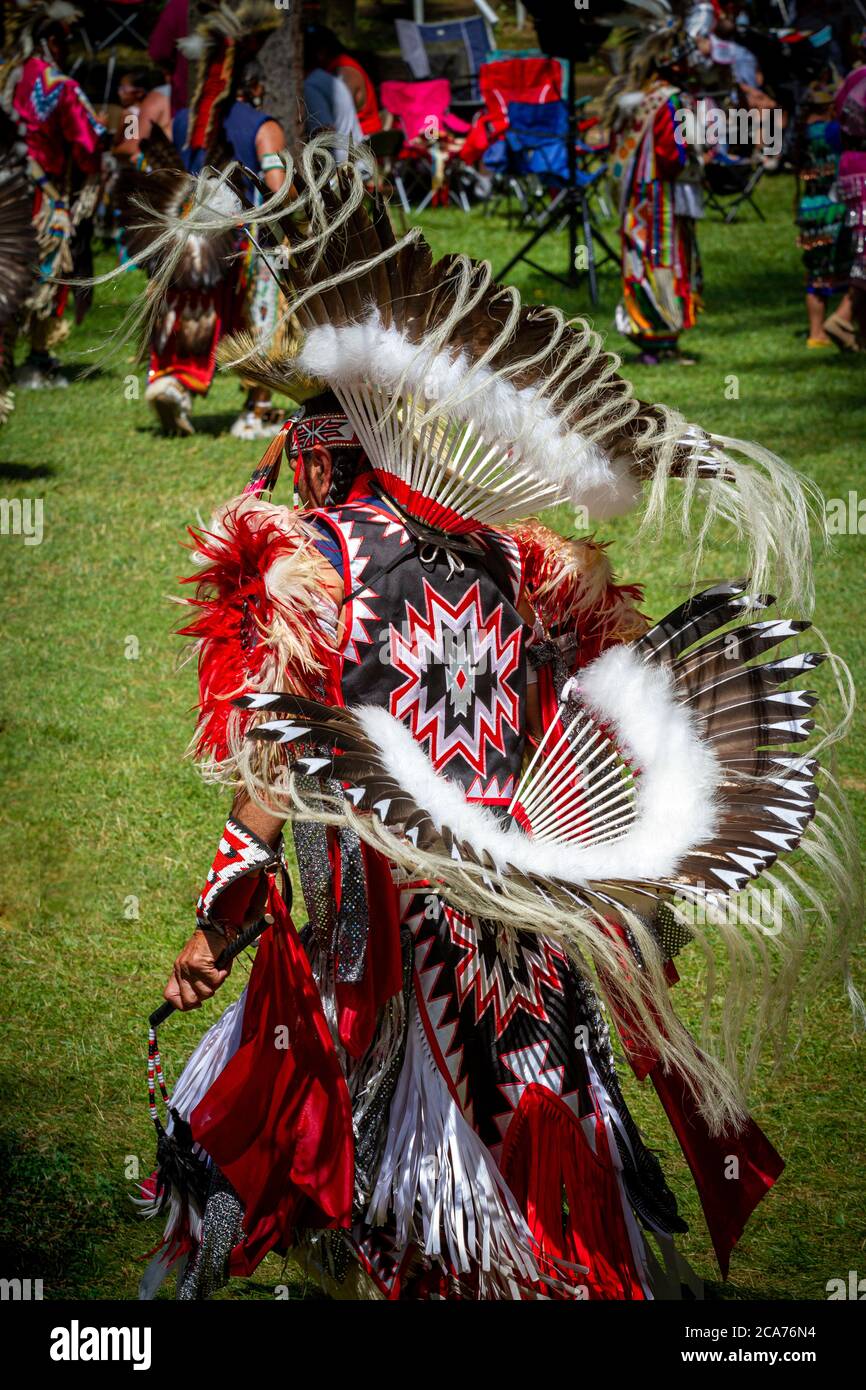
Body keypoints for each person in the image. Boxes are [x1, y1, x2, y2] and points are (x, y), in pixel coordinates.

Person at [130, 141, 859, 1301]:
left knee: (401, 1184)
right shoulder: (520, 556)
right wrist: (640, 904)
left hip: (393, 955)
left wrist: (219, 920)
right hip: (527, 938)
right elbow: (596, 725)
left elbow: (270, 764)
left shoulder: (305, 565)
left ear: (314, 448)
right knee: (543, 1161)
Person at [130, 1, 286, 437]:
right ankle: (256, 410)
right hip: (242, 248)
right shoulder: (262, 126)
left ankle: (173, 383)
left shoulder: (184, 122)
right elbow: (277, 190)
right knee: (261, 317)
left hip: (192, 244)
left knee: (190, 311)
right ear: (252, 85)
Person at [0, 1, 106, 390]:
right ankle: (37, 360)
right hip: (41, 201)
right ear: (49, 39)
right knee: (45, 277)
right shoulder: (59, 87)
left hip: (4, 191)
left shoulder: (6, 77)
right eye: (64, 39)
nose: (67, 48)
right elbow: (90, 143)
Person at [603, 21, 705, 365]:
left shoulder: (638, 98)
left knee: (642, 260)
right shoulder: (671, 100)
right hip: (660, 198)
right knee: (663, 261)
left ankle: (650, 336)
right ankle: (660, 339)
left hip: (637, 199)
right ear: (671, 61)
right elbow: (671, 154)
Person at [794, 78, 855, 350]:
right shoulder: (834, 131)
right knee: (842, 265)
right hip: (834, 207)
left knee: (815, 272)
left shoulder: (800, 133)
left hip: (809, 207)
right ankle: (844, 322)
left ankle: (815, 333)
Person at [304, 22, 382, 137]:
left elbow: (341, 111)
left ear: (322, 51)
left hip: (365, 138)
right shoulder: (330, 71)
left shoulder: (344, 70)